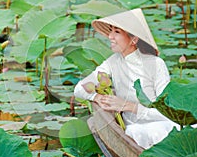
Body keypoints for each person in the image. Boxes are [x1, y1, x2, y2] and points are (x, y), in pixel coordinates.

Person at [74, 8, 182, 149]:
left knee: (160, 131)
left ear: (134, 39)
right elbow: (79, 89)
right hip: (135, 131)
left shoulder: (156, 64)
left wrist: (128, 106)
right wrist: (97, 98)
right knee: (134, 131)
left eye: (117, 32)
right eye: (111, 31)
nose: (110, 36)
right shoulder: (113, 62)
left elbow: (167, 113)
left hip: (161, 125)